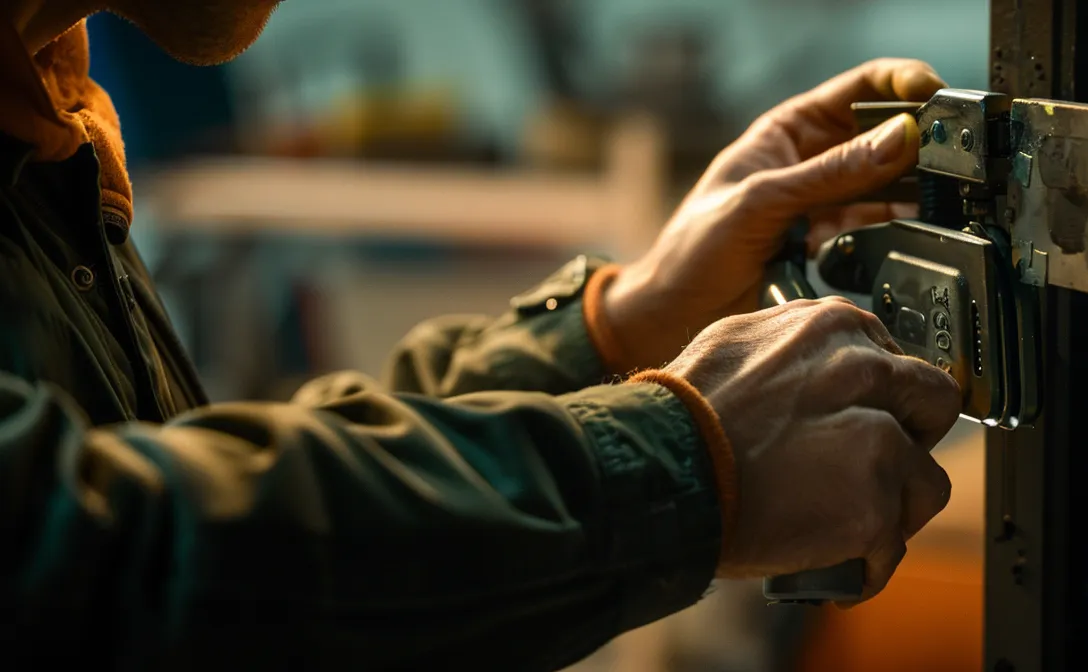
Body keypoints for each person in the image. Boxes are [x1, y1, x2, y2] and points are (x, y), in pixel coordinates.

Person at [0, 1, 961, 669]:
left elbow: (216, 483)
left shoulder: (45, 128)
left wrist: (630, 318)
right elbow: (84, 564)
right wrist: (677, 462)